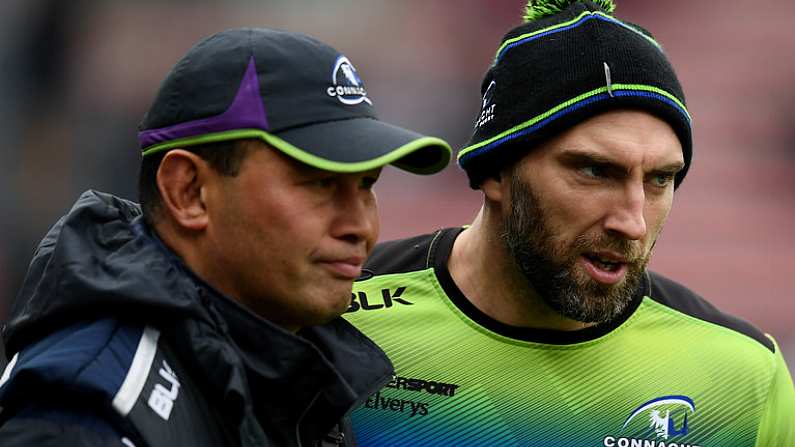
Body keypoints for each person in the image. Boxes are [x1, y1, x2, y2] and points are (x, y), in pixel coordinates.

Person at [344, 1, 795, 446]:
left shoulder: (743, 376)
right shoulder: (337, 321)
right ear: (497, 171)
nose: (633, 223)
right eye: (596, 170)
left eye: (660, 178)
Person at [0, 28, 452, 447]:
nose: (362, 227)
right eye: (318, 183)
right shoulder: (89, 409)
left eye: (367, 185)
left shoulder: (303, 370)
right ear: (188, 191)